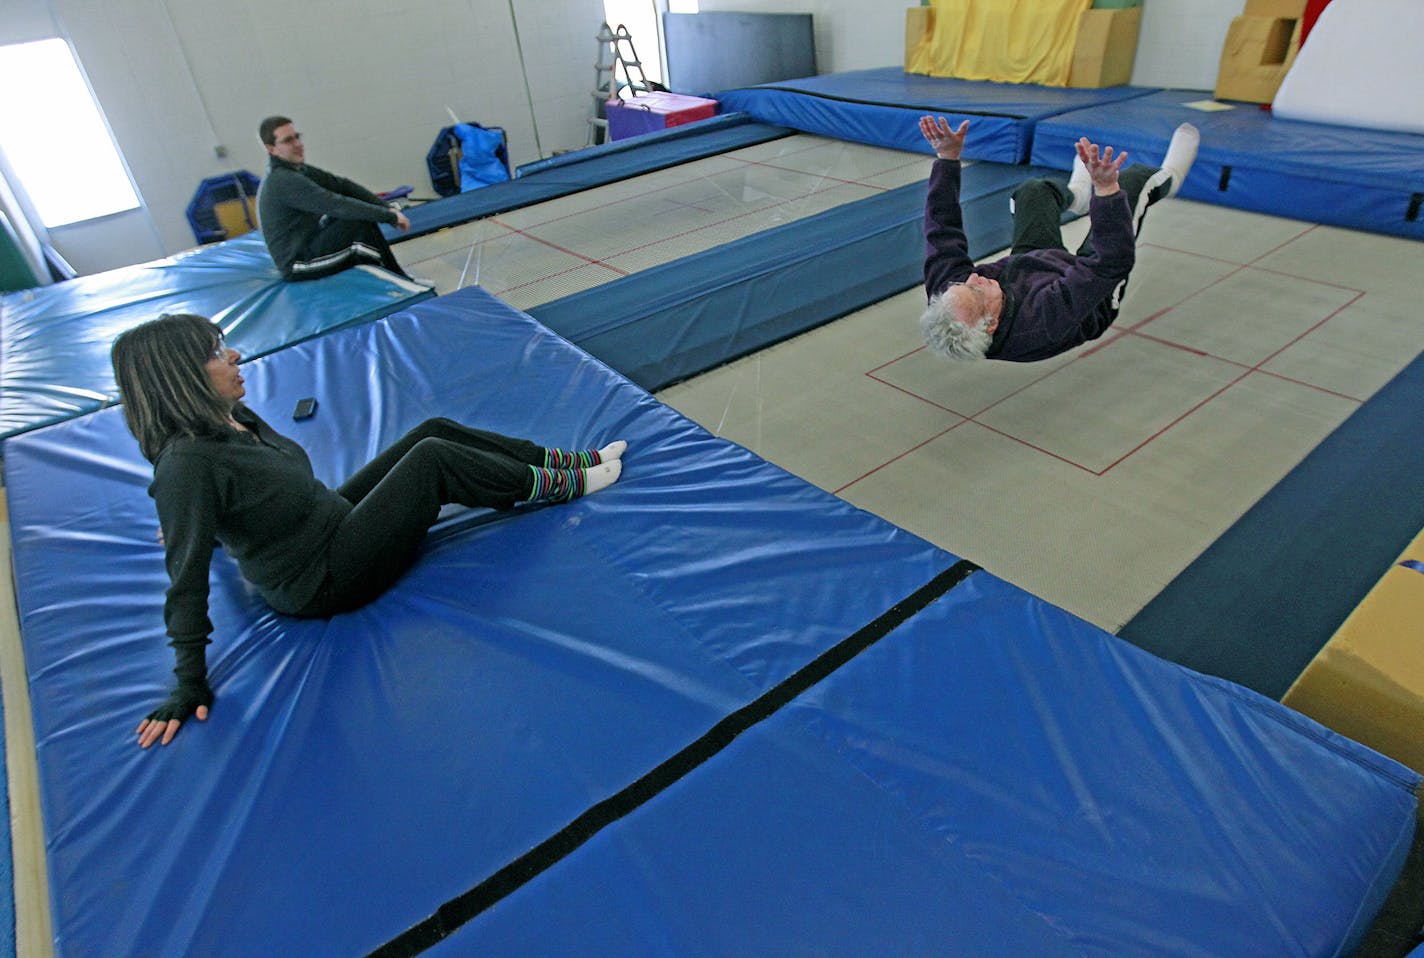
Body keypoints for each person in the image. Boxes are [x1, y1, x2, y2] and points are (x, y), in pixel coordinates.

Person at [111, 313, 627, 749]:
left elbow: (244, 499)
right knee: (433, 461)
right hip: (322, 577)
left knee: (432, 431)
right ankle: (558, 485)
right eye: (217, 353)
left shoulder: (227, 417)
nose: (235, 356)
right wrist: (187, 684)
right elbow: (186, 578)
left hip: (330, 518)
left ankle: (563, 458)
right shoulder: (185, 467)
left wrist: (211, 525)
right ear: (181, 378)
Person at [918, 115, 1200, 362]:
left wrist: (948, 159)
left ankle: (1077, 194)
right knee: (1132, 184)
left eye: (964, 283)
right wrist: (1106, 189)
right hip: (1092, 294)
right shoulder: (1040, 322)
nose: (973, 278)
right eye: (977, 290)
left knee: (1032, 193)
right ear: (991, 323)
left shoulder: (951, 296)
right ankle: (1170, 178)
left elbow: (941, 227)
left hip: (1030, 266)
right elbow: (1110, 263)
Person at [256, 115, 416, 281]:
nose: (298, 144)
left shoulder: (297, 170)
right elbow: (335, 204)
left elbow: (342, 185)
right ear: (272, 149)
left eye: (297, 137)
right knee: (360, 231)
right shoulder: (282, 180)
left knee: (360, 221)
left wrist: (385, 207)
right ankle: (400, 282)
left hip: (310, 243)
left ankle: (399, 277)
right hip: (298, 264)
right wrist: (389, 217)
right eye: (288, 140)